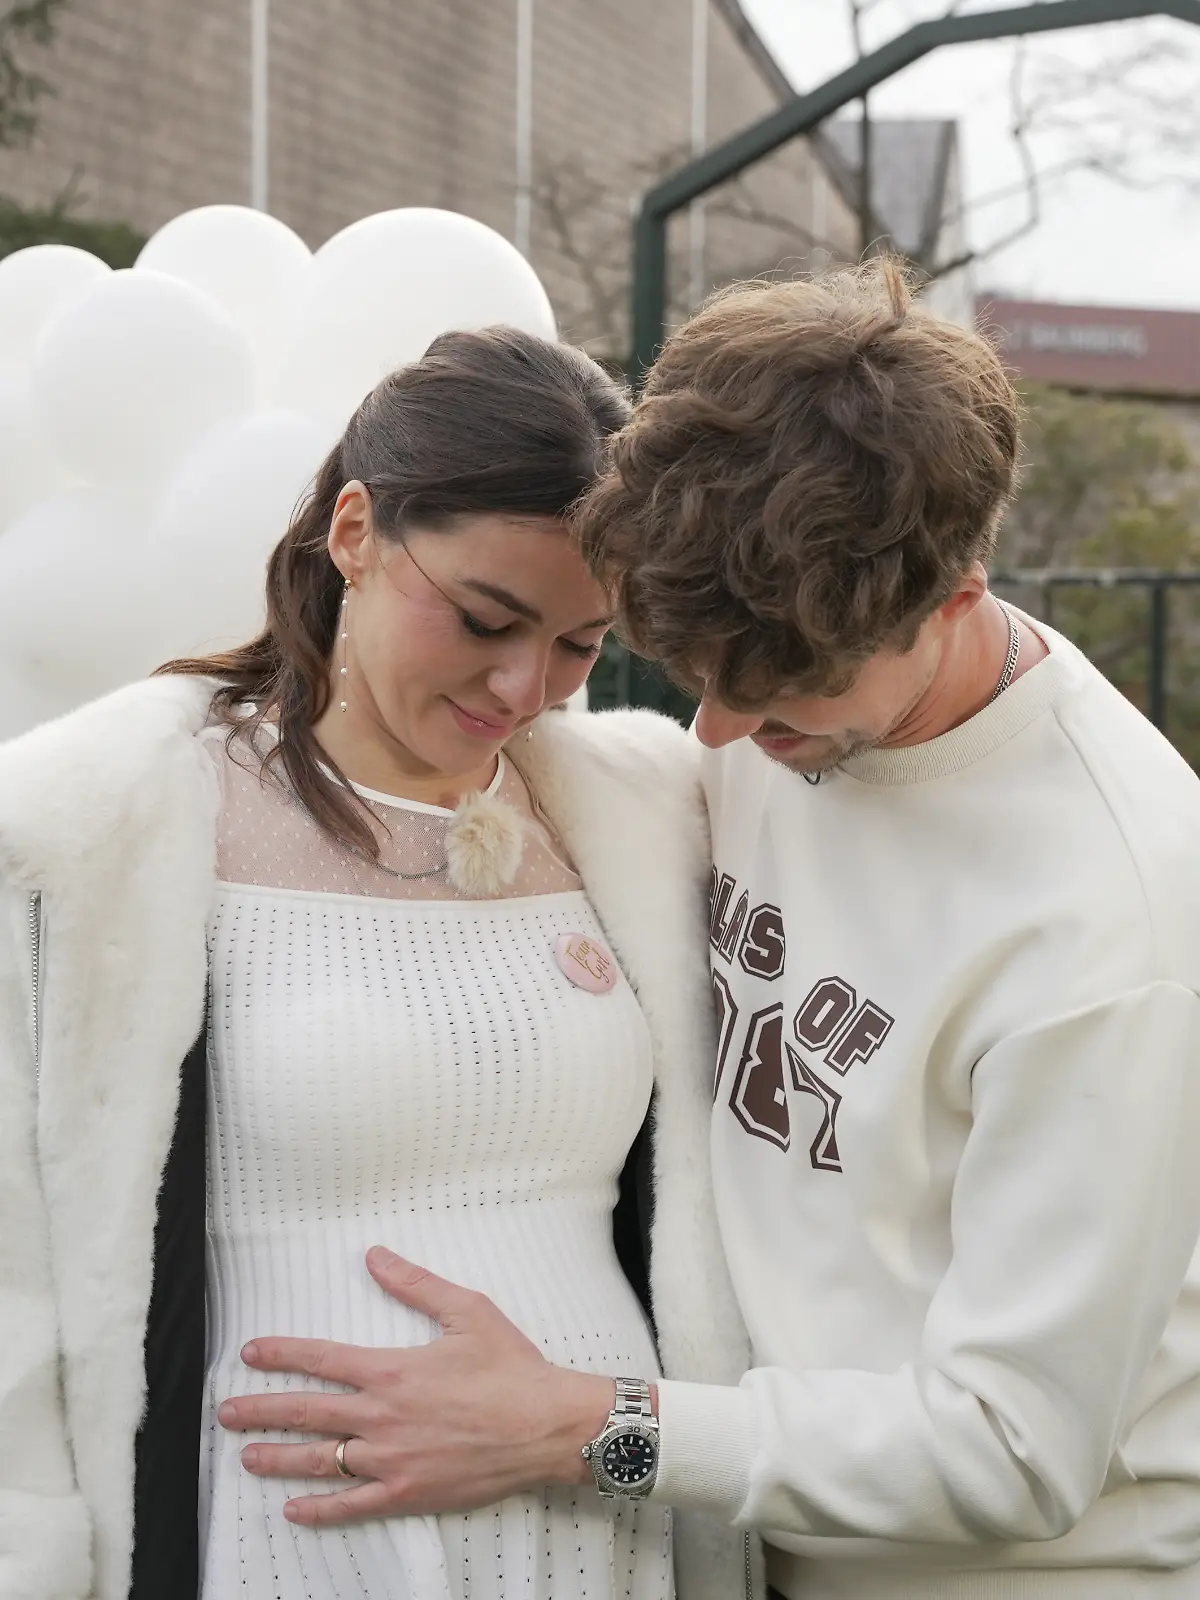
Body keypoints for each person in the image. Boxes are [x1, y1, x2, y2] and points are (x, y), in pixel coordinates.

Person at [228, 262, 1200, 1600]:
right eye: (695, 680)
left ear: (956, 592)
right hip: (746, 1551)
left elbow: (1015, 1449)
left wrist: (584, 1426)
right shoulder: (767, 685)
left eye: (784, 698)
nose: (721, 738)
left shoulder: (1115, 908)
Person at [0, 326, 754, 1600]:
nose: (529, 686)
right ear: (354, 530)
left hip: (608, 1527)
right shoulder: (101, 830)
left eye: (581, 642)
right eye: (485, 617)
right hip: (291, 1543)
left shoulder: (647, 812)